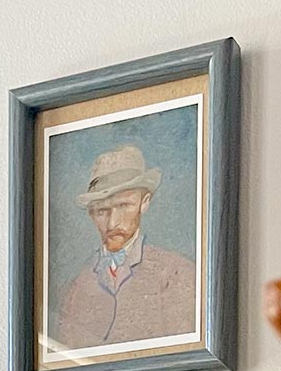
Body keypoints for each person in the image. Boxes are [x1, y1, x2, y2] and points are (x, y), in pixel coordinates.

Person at [53, 144, 196, 354]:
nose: (113, 223)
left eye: (123, 206)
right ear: (91, 214)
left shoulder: (178, 274)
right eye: (102, 211)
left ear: (144, 202)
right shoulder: (73, 290)